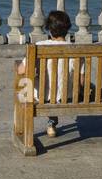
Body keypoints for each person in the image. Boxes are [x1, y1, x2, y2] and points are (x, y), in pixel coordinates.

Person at [15, 9, 73, 137]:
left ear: (49, 29)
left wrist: (18, 64)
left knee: (26, 84)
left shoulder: (39, 46)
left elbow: (21, 70)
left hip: (42, 96)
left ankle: (24, 126)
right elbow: (81, 79)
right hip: (67, 96)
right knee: (58, 85)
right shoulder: (76, 50)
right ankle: (51, 123)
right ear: (67, 29)